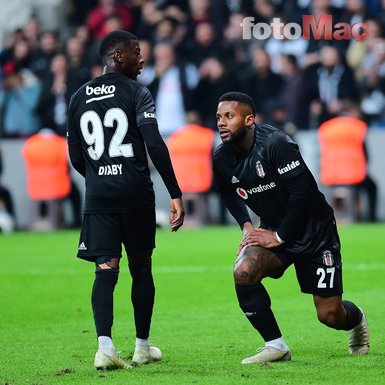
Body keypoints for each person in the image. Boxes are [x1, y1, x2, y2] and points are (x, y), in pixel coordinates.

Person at [212, 92, 370, 364]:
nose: (222, 123)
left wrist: (280, 236)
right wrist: (246, 226)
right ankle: (276, 346)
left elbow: (302, 195)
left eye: (229, 116)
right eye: (218, 117)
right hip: (274, 230)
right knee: (244, 271)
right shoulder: (222, 158)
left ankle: (356, 321)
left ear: (249, 120)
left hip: (315, 232)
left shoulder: (277, 144)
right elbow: (228, 192)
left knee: (329, 316)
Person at [66, 30, 185, 371]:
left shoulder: (77, 96)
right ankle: (142, 347)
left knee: (106, 270)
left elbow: (76, 157)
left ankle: (105, 348)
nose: (142, 59)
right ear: (119, 56)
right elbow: (155, 143)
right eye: (137, 52)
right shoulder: (136, 92)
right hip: (135, 193)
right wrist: (175, 192)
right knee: (141, 267)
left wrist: (101, 176)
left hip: (98, 196)